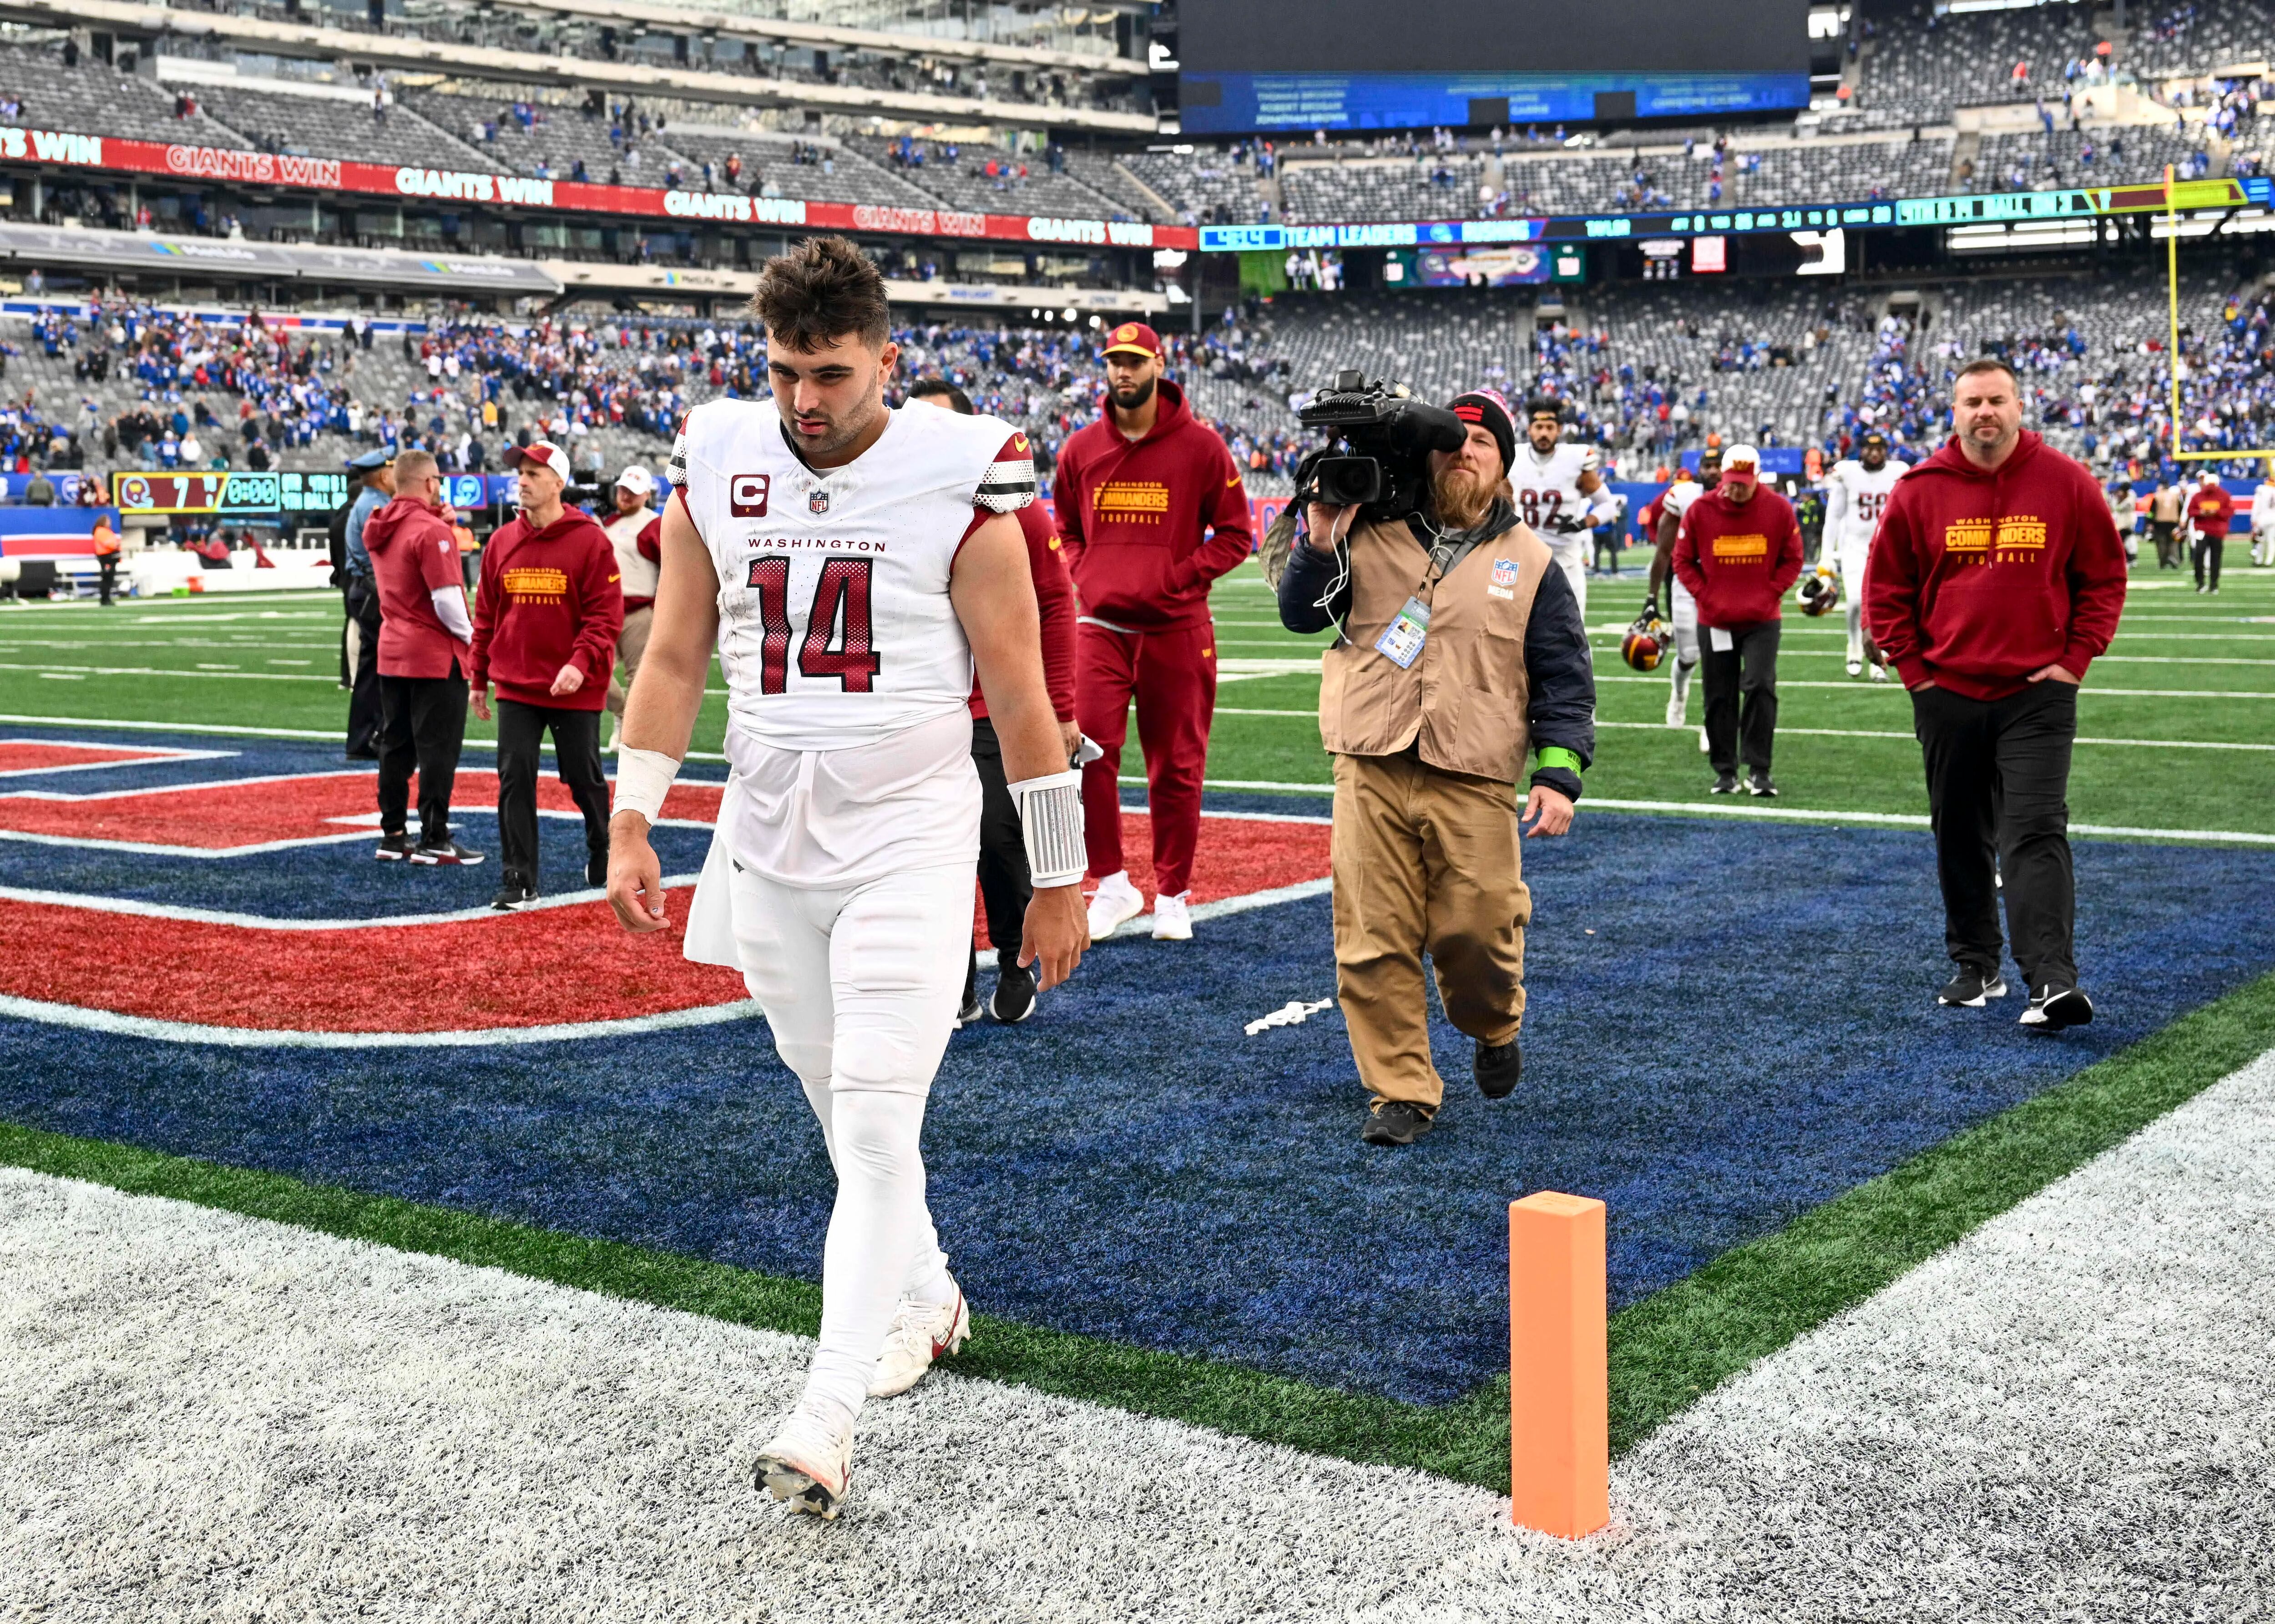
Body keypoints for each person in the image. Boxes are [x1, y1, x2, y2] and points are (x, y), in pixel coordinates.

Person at [604, 236, 1085, 1518]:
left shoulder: (959, 479)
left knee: (874, 1116)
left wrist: (1058, 875)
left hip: (910, 833)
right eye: (782, 371)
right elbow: (673, 655)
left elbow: (1025, 702)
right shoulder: (719, 457)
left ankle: (823, 1414)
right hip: (765, 832)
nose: (803, 401)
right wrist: (635, 814)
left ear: (886, 360)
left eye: (828, 372)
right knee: (836, 1106)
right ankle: (925, 1294)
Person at [1275, 386, 1595, 1147]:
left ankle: (1493, 1024)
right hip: (1370, 758)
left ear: (1505, 466)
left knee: (1480, 930)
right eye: (1453, 441)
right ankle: (1401, 1090)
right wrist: (1320, 538)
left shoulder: (1533, 561)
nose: (1465, 451)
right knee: (1371, 933)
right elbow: (1299, 612)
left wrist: (1556, 773)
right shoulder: (1370, 528)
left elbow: (1564, 675)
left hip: (1476, 769)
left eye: (1482, 443)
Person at [1866, 357, 2127, 1031]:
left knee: (2036, 829)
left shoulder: (2067, 481)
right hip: (1946, 689)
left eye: (1997, 400)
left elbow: (2103, 577)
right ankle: (1976, 963)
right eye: (1973, 402)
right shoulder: (1920, 489)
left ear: (2020, 405)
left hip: (2037, 691)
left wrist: (2075, 660)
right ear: (1955, 412)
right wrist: (1915, 674)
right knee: (1959, 831)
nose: (1986, 412)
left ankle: (2052, 982)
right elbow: (1885, 589)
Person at [1052, 320, 1252, 944]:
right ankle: (1111, 883)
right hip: (1101, 626)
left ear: (1159, 365)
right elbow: (1066, 526)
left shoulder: (1203, 447)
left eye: (1135, 361)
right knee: (1088, 756)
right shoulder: (1079, 448)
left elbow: (1238, 535)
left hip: (1176, 628)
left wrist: (1181, 578)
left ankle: (1172, 892)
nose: (1124, 372)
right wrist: (1086, 570)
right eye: (1115, 361)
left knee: (1177, 768)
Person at [907, 377, 1080, 1026]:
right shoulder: (884, 499)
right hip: (917, 705)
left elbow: (1058, 604)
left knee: (998, 840)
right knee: (927, 848)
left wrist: (1060, 705)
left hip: (988, 703)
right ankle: (950, 979)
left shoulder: (1009, 505)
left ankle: (1012, 959)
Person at [469, 440, 622, 910]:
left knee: (583, 777)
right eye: (521, 473)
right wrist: (478, 677)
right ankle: (519, 878)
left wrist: (580, 663)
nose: (523, 480)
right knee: (514, 776)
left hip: (574, 685)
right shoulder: (500, 541)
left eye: (535, 473)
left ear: (558, 482)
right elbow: (486, 615)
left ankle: (603, 844)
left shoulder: (590, 540)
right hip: (516, 683)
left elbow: (604, 615)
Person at [362, 449, 481, 865]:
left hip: (393, 649)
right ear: (431, 483)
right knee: (438, 750)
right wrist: (476, 641)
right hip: (433, 653)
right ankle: (435, 836)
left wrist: (440, 523)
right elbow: (448, 601)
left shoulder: (379, 525)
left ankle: (393, 834)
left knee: (396, 745)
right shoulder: (431, 531)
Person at [1671, 444, 1803, 797]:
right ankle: (1725, 769)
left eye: (1744, 482)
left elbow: (1794, 558)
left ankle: (1760, 769)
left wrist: (1771, 592)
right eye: (1732, 481)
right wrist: (1706, 594)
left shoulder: (1777, 509)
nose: (1736, 488)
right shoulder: (1701, 509)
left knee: (1761, 686)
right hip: (1715, 618)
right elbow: (1682, 560)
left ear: (1757, 477)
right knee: (1719, 694)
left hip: (1762, 618)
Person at [1511, 397, 1618, 617]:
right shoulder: (1513, 457)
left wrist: (1582, 523)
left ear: (1559, 429)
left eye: (1550, 427)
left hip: (1566, 561)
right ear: (1529, 429)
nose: (1544, 433)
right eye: (1539, 427)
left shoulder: (1576, 458)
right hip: (1523, 560)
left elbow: (1608, 506)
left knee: (1573, 636)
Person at [1648, 446, 1720, 747]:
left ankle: (1712, 723)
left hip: (1724, 585)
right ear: (1700, 469)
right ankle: (1679, 695)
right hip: (1686, 582)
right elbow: (1664, 550)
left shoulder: (1743, 497)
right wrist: (1652, 597)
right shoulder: (1685, 496)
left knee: (1718, 659)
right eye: (1709, 465)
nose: (1714, 471)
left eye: (1719, 465)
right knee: (1689, 655)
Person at [1821, 429, 1904, 680]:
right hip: (1855, 548)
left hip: (1887, 548)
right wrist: (1827, 555)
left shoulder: (1898, 472)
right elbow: (1833, 517)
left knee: (1885, 606)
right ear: (1861, 451)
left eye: (1879, 449)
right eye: (1869, 448)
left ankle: (1879, 660)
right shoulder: (1847, 474)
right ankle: (1854, 645)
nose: (1875, 453)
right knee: (1857, 602)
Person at [600, 464, 662, 754]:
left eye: (633, 492)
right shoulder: (605, 522)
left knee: (639, 679)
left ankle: (634, 737)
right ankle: (623, 715)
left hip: (639, 611)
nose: (626, 496)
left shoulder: (655, 524)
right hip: (603, 611)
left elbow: (670, 569)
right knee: (596, 672)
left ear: (646, 495)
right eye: (623, 490)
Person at [340, 448, 394, 761]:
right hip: (373, 591)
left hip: (364, 590)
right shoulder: (377, 505)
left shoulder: (366, 503)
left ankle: (366, 737)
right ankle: (373, 735)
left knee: (372, 667)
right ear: (384, 476)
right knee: (380, 667)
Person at [2184, 468, 2232, 594]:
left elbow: (2229, 512)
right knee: (2206, 558)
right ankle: (2208, 584)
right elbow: (2191, 511)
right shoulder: (2200, 496)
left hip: (2213, 530)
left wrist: (2216, 512)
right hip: (2206, 530)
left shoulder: (2222, 496)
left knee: (2209, 558)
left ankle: (2209, 584)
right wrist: (2201, 512)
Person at [2147, 477, 2183, 569]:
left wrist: (2150, 522)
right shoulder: (2175, 496)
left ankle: (2163, 561)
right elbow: (2180, 510)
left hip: (2160, 522)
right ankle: (2173, 558)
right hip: (2173, 522)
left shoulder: (2157, 496)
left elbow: (2152, 512)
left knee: (2161, 543)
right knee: (2173, 542)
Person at [91, 512, 120, 606]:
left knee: (109, 579)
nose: (110, 523)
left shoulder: (106, 531)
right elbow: (110, 543)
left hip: (110, 557)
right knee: (107, 578)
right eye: (108, 521)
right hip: (106, 557)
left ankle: (107, 598)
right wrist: (116, 545)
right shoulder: (101, 531)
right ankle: (105, 599)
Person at [2253, 471, 2275, 568]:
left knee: (2260, 540)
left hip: (2263, 518)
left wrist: (2254, 519)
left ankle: (2259, 560)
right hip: (2274, 518)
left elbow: (2256, 506)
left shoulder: (2261, 490)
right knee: (2271, 541)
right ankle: (2269, 561)